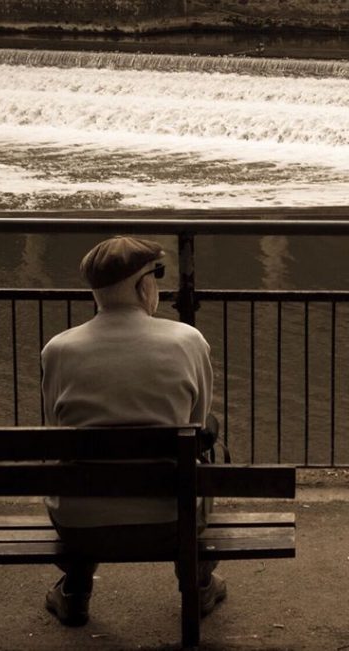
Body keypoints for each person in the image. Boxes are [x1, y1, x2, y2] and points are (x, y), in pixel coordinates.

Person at [40, 235, 223, 626]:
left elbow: (57, 428)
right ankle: (200, 582)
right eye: (156, 276)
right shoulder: (188, 341)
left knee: (75, 468)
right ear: (144, 286)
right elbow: (198, 416)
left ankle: (75, 591)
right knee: (204, 454)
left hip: (80, 526)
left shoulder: (58, 349)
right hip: (170, 523)